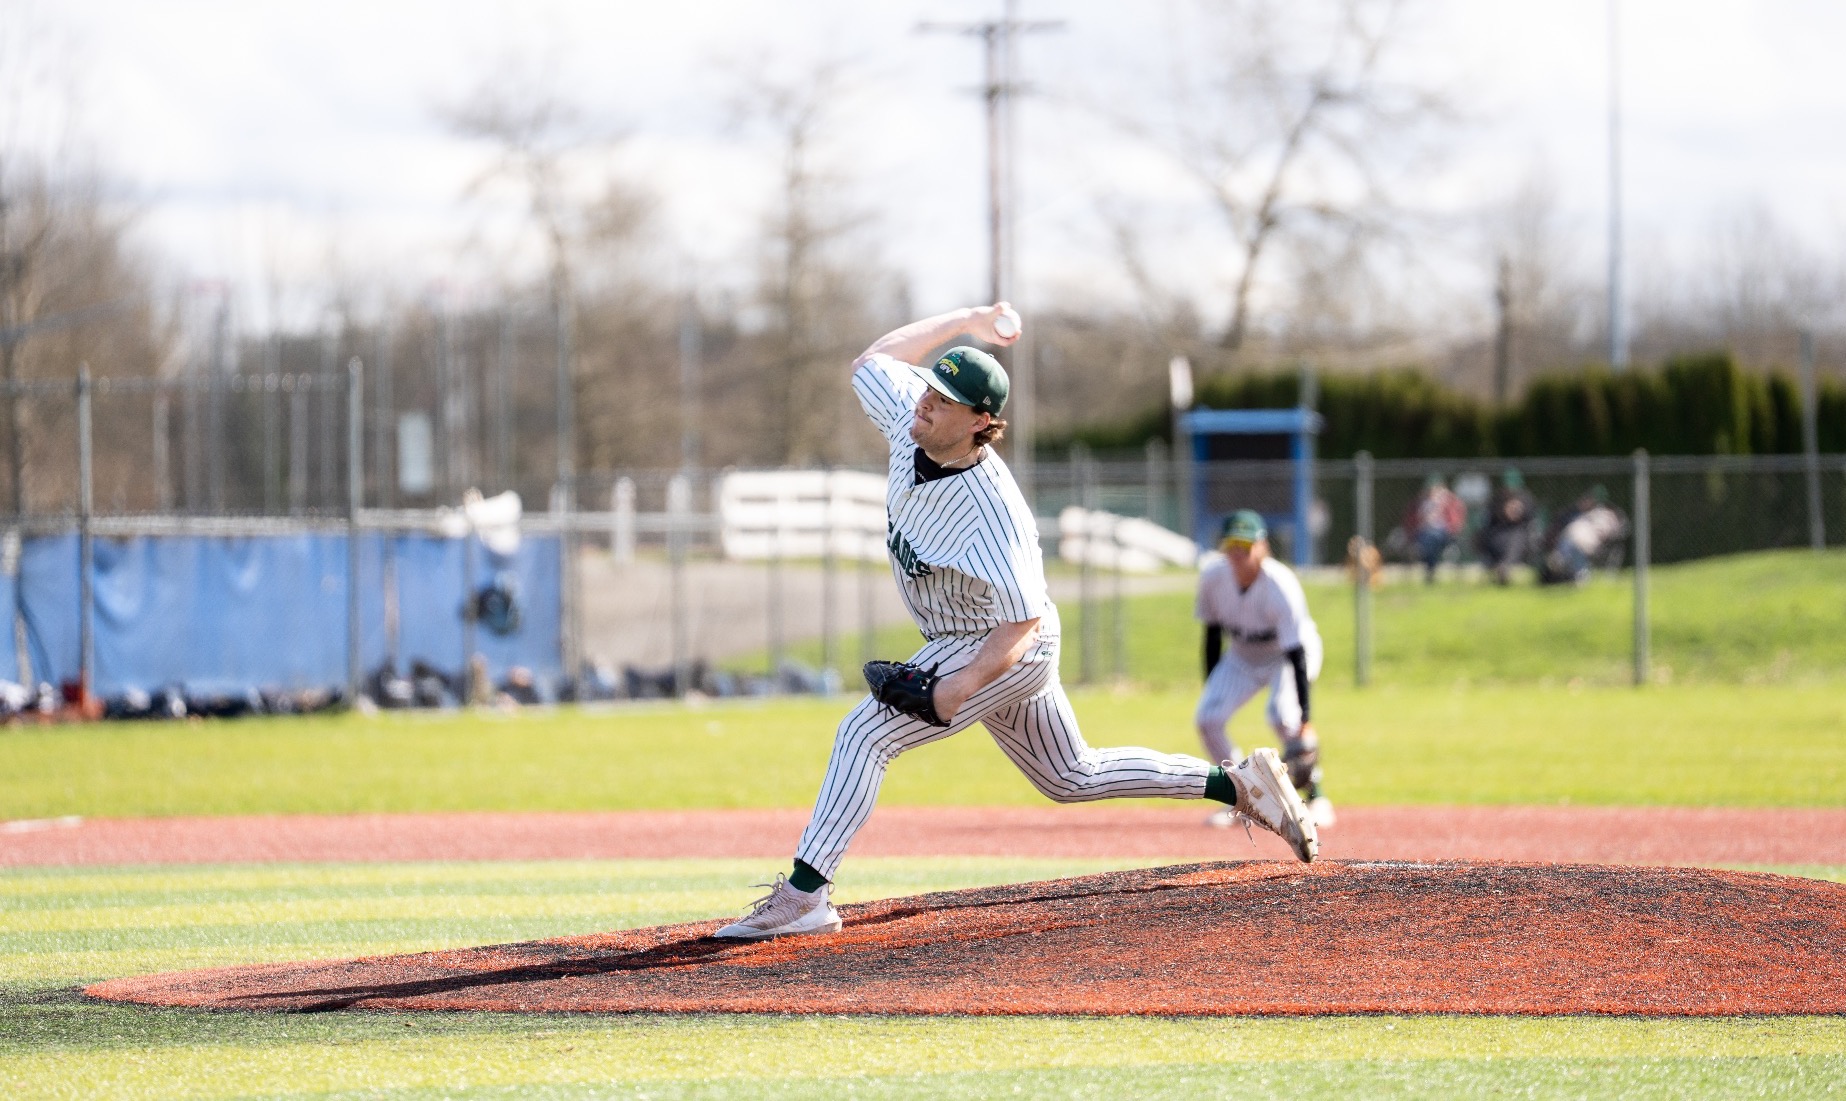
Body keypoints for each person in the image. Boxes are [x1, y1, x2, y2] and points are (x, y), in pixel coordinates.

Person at [715, 304, 1318, 940]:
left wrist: (956, 688)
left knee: (866, 734)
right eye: (929, 388)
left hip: (999, 643)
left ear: (981, 423)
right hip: (968, 636)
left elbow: (1022, 622)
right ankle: (1238, 785)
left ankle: (805, 895)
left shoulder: (993, 513)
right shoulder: (908, 417)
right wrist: (967, 320)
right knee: (1071, 776)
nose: (926, 402)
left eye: (945, 401)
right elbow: (874, 361)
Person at [1194, 510, 1334, 830]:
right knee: (1208, 719)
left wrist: (1307, 719)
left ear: (1262, 547)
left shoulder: (1279, 584)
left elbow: (1296, 653)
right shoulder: (1213, 578)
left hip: (1287, 654)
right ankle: (1244, 796)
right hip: (1243, 656)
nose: (1239, 554)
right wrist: (1212, 686)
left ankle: (1316, 796)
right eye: (1232, 546)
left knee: (1283, 715)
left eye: (1246, 545)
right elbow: (1213, 634)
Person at [1539, 485, 1628, 586]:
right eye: (1586, 498)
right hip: (1572, 541)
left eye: (1590, 499)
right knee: (1570, 541)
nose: (1586, 501)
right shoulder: (1577, 513)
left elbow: (1614, 532)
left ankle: (1565, 564)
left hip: (1591, 543)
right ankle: (1562, 564)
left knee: (1574, 543)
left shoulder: (1606, 514)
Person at [1476, 467, 1539, 585]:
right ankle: (1503, 568)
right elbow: (1489, 521)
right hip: (1499, 535)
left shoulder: (1526, 498)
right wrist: (1505, 512)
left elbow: (1530, 519)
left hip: (1520, 536)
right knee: (1508, 540)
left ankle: (1504, 568)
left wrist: (1519, 511)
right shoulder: (1498, 498)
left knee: (1517, 538)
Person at [1403, 474, 1466, 583]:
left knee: (1431, 539)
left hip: (1443, 534)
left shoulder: (1449, 503)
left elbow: (1455, 522)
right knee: (1428, 539)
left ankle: (1429, 567)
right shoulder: (1419, 503)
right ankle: (1429, 568)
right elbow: (1411, 522)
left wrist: (1442, 505)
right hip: (1422, 533)